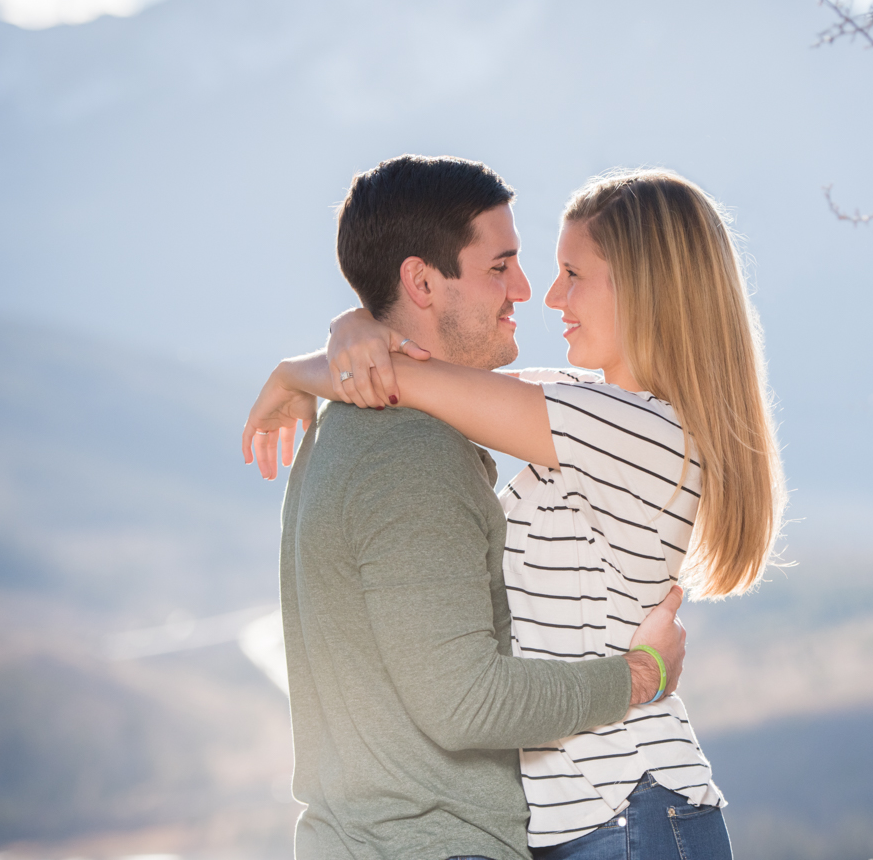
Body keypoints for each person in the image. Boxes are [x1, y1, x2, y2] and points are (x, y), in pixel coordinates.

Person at [248, 165, 786, 860]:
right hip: (578, 823)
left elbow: (399, 377)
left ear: (646, 290)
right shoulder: (578, 405)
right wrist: (346, 336)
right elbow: (412, 375)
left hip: (630, 809)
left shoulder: (639, 430)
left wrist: (304, 365)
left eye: (573, 274)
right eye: (529, 268)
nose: (547, 294)